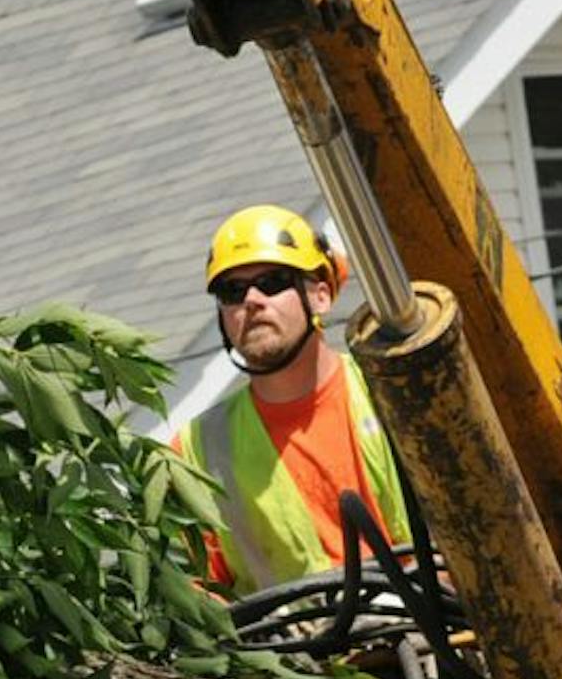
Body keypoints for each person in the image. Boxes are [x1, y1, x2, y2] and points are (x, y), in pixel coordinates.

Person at [175, 205, 411, 595]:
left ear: (320, 295)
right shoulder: (195, 452)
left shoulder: (393, 393)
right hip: (295, 652)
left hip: (435, 641)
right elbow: (199, 593)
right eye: (232, 291)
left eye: (271, 282)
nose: (251, 300)